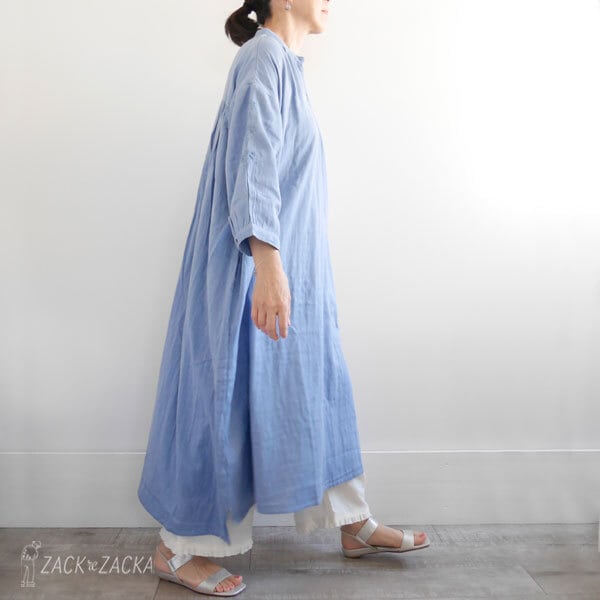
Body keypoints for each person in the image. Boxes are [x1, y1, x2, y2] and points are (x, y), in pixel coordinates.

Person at [137, 1, 430, 596]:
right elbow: (254, 163)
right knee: (225, 395)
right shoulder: (262, 58)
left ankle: (351, 521)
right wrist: (268, 263)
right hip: (253, 266)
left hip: (296, 268)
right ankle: (177, 547)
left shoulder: (285, 65)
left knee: (317, 383)